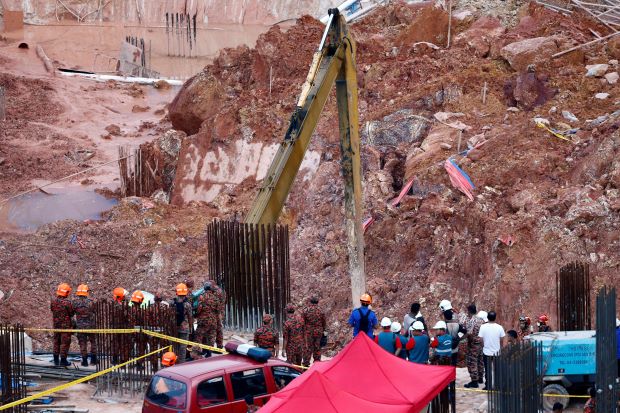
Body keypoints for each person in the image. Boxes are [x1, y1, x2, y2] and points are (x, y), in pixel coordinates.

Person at [478, 311, 505, 390]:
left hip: (486, 352)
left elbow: (480, 339)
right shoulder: (499, 327)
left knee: (487, 370)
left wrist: (484, 346)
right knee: (497, 370)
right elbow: (502, 339)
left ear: (488, 317)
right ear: (495, 317)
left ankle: (488, 386)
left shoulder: (483, 327)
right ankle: (497, 386)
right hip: (497, 352)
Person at [73, 284, 97, 367]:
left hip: (80, 327)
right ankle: (93, 360)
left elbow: (72, 313)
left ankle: (84, 361)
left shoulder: (75, 303)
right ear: (86, 292)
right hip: (91, 326)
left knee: (82, 344)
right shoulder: (91, 302)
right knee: (93, 342)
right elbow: (95, 312)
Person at [50, 283, 75, 367]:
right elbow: (71, 313)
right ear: (66, 292)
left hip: (56, 326)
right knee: (64, 343)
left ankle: (56, 360)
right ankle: (63, 361)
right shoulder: (67, 303)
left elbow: (52, 310)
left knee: (56, 342)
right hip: (65, 327)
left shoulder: (53, 302)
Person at [194, 282, 220, 355]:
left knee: (198, 336)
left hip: (203, 320)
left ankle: (197, 353)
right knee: (211, 337)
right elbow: (218, 310)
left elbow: (199, 308)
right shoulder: (216, 298)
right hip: (213, 321)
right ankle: (209, 353)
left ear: (204, 288)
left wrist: (196, 314)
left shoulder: (202, 297)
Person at [171, 283, 194, 362]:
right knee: (183, 347)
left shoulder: (172, 303)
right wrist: (191, 328)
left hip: (174, 328)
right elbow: (190, 317)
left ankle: (174, 361)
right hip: (184, 328)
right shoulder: (187, 304)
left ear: (177, 292)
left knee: (175, 346)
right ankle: (181, 363)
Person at [302, 296, 327, 366]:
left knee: (307, 348)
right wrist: (324, 330)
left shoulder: (305, 310)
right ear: (318, 302)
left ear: (310, 302)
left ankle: (305, 365)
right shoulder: (321, 310)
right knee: (317, 347)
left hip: (308, 332)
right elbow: (324, 322)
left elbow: (302, 322)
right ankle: (317, 364)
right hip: (318, 332)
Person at [464, 304, 484, 388]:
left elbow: (469, 333)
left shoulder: (472, 321)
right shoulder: (481, 319)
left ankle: (474, 381)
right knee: (480, 361)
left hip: (473, 344)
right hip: (481, 344)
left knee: (472, 362)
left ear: (469, 311)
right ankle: (480, 378)